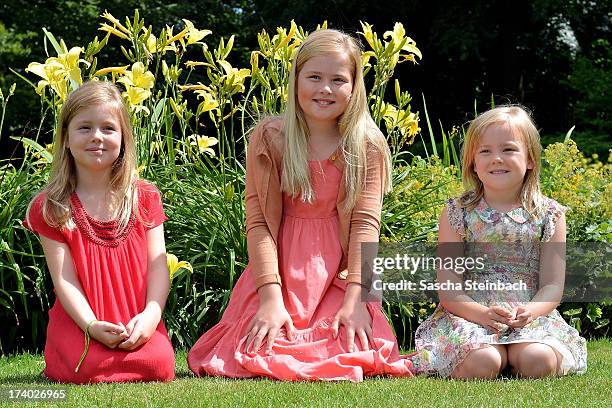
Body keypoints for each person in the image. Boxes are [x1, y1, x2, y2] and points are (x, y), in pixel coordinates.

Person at [188, 29, 414, 382]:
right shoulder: (270, 138)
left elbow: (366, 226)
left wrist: (356, 299)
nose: (325, 88)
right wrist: (269, 297)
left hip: (341, 276)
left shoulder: (367, 145)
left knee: (347, 342)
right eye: (314, 77)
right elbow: (259, 223)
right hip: (278, 274)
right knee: (259, 343)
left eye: (338, 80)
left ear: (354, 88)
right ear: (295, 81)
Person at [411, 106, 587, 379]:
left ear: (530, 159)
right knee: (484, 362)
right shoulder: (457, 214)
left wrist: (530, 311)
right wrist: (482, 315)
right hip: (470, 315)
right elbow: (449, 289)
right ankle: (491, 358)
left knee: (538, 360)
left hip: (528, 316)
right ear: (472, 162)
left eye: (508, 150)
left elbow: (552, 285)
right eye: (485, 151)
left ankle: (516, 356)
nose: (496, 159)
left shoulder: (549, 215)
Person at [24, 81, 175, 383]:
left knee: (158, 364)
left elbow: (159, 267)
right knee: (88, 367)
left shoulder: (143, 197)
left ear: (123, 139)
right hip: (83, 323)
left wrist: (150, 317)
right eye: (84, 128)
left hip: (136, 319)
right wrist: (91, 325)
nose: (97, 137)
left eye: (108, 128)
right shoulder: (52, 206)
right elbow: (64, 280)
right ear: (65, 139)